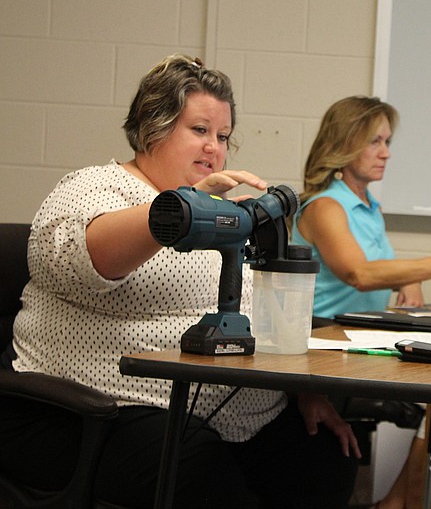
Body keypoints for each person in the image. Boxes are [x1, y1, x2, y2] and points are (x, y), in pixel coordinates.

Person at [0, 54, 360, 509]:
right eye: (199, 131)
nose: (215, 148)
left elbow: (256, 311)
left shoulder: (222, 210)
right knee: (198, 467)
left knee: (324, 455)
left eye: (223, 136)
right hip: (101, 414)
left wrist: (303, 392)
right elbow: (86, 260)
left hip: (230, 420)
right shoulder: (94, 187)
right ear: (154, 127)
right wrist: (180, 210)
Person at [291, 96, 431, 508]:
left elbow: (383, 273)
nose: (386, 153)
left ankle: (399, 499)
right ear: (344, 143)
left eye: (387, 141)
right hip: (325, 343)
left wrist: (410, 284)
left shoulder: (369, 207)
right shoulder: (324, 207)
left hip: (361, 332)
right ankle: (402, 499)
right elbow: (358, 273)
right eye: (375, 141)